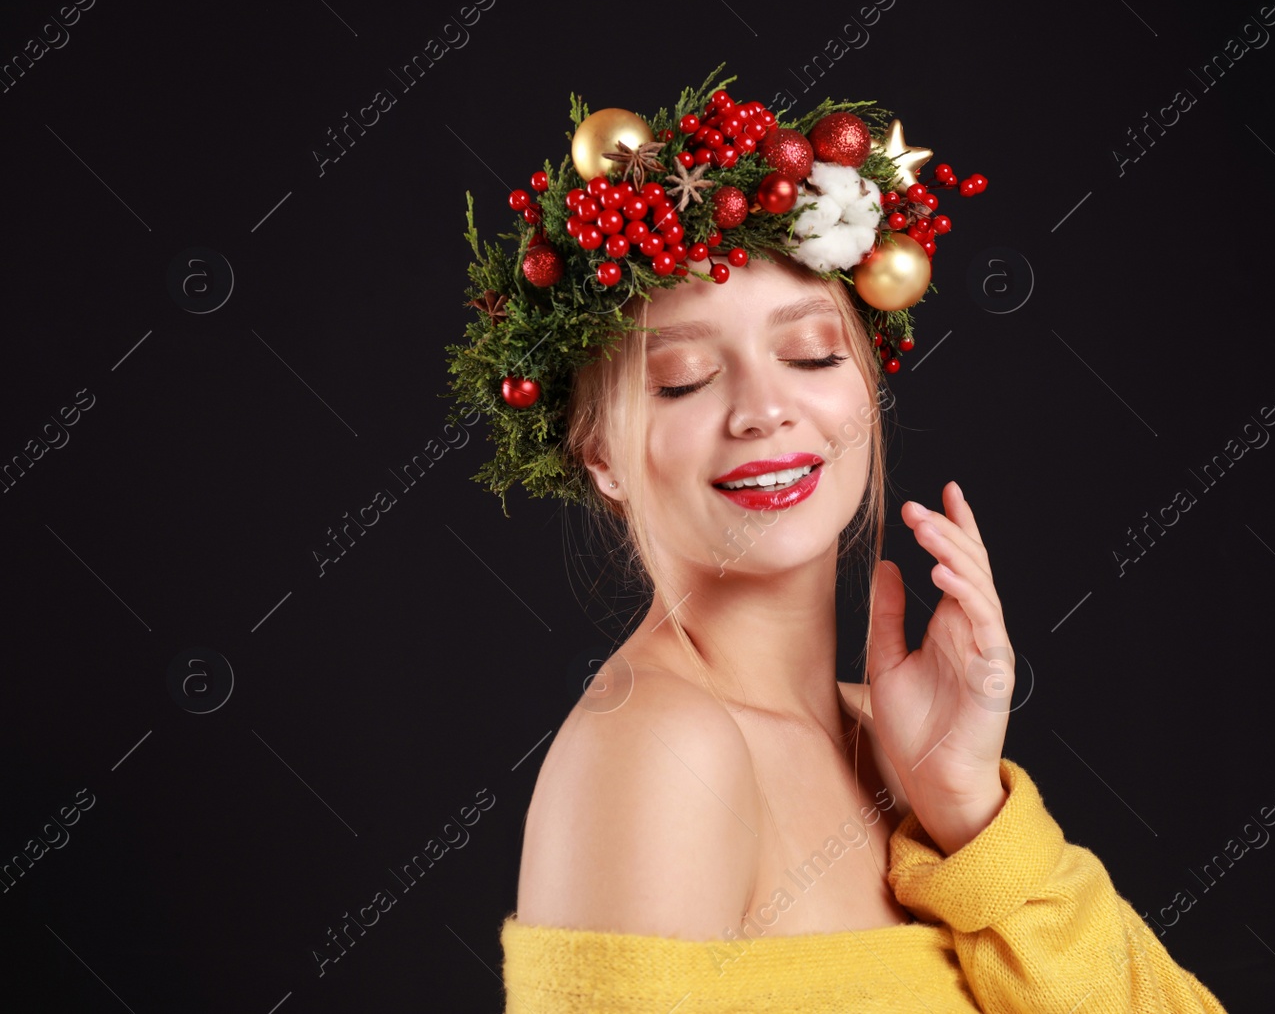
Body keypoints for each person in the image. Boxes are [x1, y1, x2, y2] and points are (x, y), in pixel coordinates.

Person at [443, 69, 1229, 1013]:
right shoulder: (658, 751)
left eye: (812, 354)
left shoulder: (898, 741)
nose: (765, 411)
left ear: (867, 384)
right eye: (685, 378)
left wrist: (974, 820)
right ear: (598, 450)